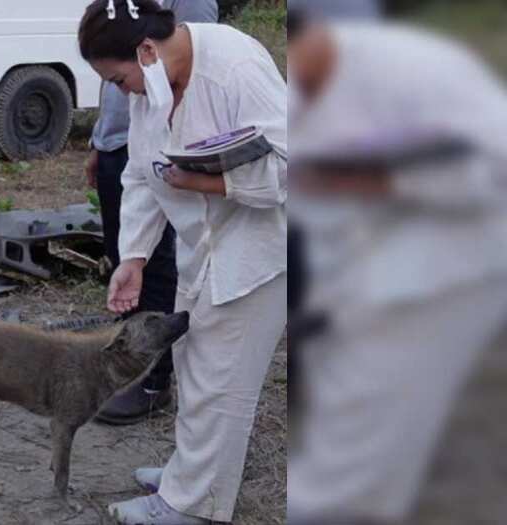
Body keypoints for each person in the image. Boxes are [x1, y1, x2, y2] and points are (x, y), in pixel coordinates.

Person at [287, 12, 507, 524]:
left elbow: (493, 167)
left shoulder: (418, 68)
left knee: (370, 437)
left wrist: (385, 183)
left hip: (454, 262)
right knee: (347, 404)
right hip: (360, 266)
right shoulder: (302, 98)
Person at [78, 1, 287, 523]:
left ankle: (192, 506)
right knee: (195, 361)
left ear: (146, 51)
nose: (121, 91)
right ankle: (188, 473)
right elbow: (140, 175)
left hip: (262, 248)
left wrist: (212, 182)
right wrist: (134, 256)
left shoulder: (236, 68)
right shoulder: (155, 82)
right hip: (204, 244)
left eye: (118, 79)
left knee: (224, 379)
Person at [88, 0, 218, 425]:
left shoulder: (190, 21)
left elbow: (185, 77)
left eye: (120, 79)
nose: (121, 89)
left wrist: (198, 177)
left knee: (163, 275)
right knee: (131, 261)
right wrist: (99, 141)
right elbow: (119, 90)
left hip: (178, 171)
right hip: (125, 150)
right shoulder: (115, 15)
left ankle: (152, 380)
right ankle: (132, 369)